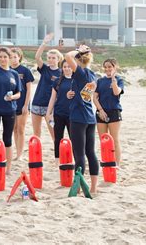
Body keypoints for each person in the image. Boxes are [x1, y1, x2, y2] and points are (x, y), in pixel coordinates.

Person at [65, 44, 99, 193]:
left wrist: (80, 51)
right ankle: (93, 187)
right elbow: (83, 94)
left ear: (78, 60)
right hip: (90, 117)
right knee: (90, 152)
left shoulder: (81, 73)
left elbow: (67, 56)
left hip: (79, 118)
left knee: (79, 154)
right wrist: (70, 95)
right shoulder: (92, 74)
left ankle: (78, 187)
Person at [93, 58, 124, 166]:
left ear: (115, 67)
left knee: (114, 139)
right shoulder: (100, 81)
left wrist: (114, 81)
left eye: (110, 67)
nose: (107, 69)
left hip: (114, 111)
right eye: (105, 67)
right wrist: (100, 110)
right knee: (104, 140)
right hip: (101, 112)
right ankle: (106, 162)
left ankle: (117, 164)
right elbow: (95, 98)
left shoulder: (119, 80)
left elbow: (116, 93)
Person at [31, 33, 63, 140]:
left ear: (58, 59)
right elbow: (37, 57)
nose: (50, 60)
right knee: (36, 133)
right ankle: (36, 155)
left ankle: (57, 154)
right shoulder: (44, 69)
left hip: (50, 107)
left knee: (53, 132)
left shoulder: (61, 73)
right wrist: (44, 43)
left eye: (53, 58)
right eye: (49, 57)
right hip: (37, 103)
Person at [45, 60, 74, 163]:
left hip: (73, 114)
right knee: (58, 138)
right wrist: (48, 113)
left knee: (73, 138)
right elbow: (52, 98)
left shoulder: (76, 80)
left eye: (69, 67)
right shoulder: (58, 81)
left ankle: (74, 159)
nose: (66, 69)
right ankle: (57, 159)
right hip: (59, 113)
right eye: (64, 67)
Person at [10, 48, 34, 160]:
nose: (13, 59)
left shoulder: (25, 71)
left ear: (19, 57)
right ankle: (16, 152)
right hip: (11, 104)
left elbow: (29, 89)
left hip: (22, 104)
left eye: (15, 56)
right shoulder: (7, 70)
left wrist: (26, 105)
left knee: (21, 129)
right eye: (11, 57)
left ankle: (19, 154)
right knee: (14, 129)